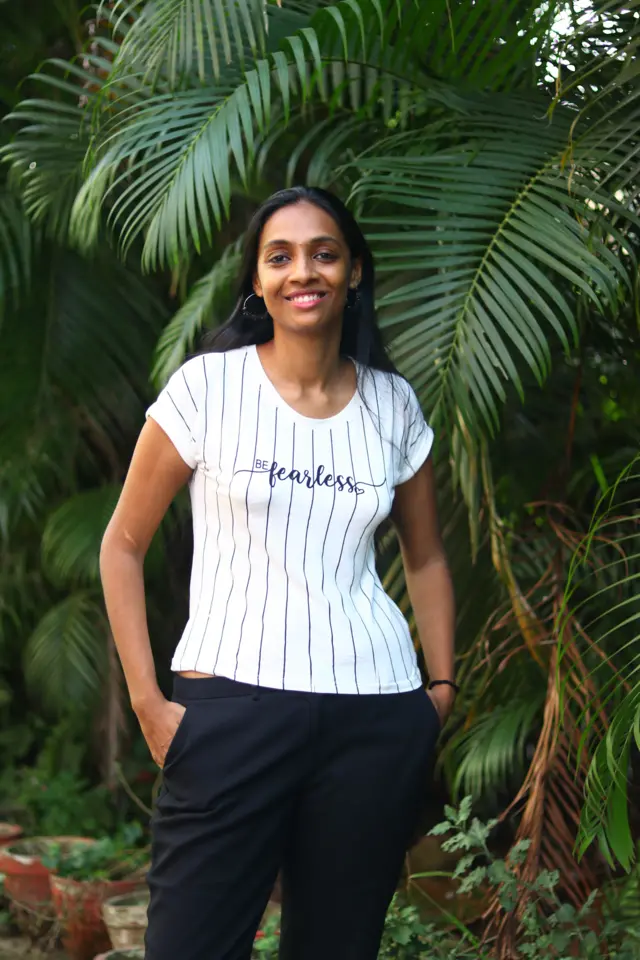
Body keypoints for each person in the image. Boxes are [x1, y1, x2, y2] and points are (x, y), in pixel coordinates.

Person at [100, 185, 456, 960]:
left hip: (375, 716)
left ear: (354, 271)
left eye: (325, 253)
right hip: (229, 713)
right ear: (257, 280)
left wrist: (438, 691)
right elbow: (121, 544)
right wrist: (148, 703)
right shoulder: (207, 388)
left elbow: (425, 558)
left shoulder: (393, 406)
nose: (306, 271)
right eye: (282, 256)